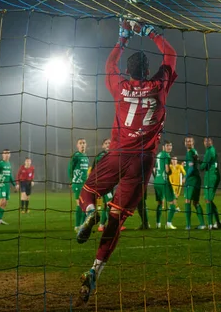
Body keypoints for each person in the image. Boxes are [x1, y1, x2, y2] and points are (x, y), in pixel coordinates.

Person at [74, 17, 177, 305]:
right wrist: (151, 32)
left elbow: (109, 66)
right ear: (148, 71)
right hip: (143, 161)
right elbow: (171, 55)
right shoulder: (158, 86)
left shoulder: (119, 87)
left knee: (87, 191)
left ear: (129, 72)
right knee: (117, 219)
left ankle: (91, 211)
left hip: (118, 154)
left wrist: (122, 39)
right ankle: (95, 271)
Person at [89, 139, 124, 232]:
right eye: (106, 143)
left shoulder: (113, 155)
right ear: (103, 146)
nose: (108, 144)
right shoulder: (101, 156)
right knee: (111, 204)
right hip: (103, 184)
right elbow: (93, 170)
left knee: (106, 205)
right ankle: (115, 225)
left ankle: (101, 226)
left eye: (110, 143)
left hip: (110, 184)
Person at [153, 141, 177, 229]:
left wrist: (157, 178)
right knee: (173, 203)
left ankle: (158, 224)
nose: (169, 147)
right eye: (168, 145)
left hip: (156, 181)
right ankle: (169, 223)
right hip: (164, 181)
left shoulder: (158, 155)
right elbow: (167, 170)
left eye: (171, 145)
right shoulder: (166, 155)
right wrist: (170, 172)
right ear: (163, 146)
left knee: (160, 203)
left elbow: (154, 169)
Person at [200, 137, 221, 229]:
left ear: (211, 142)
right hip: (211, 175)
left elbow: (204, 166)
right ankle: (217, 222)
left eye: (208, 140)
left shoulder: (210, 151)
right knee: (208, 200)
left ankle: (210, 224)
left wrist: (199, 164)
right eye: (205, 141)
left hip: (211, 176)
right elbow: (205, 163)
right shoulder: (210, 150)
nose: (206, 142)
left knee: (208, 200)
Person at [184, 136, 205, 230]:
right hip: (197, 179)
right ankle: (202, 224)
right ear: (185, 143)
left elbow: (192, 168)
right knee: (195, 202)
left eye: (190, 141)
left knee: (187, 201)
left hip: (192, 179)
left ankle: (188, 225)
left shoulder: (191, 152)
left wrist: (185, 177)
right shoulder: (193, 152)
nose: (188, 143)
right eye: (187, 141)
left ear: (193, 143)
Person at [69, 138, 89, 232]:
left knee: (85, 205)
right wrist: (71, 180)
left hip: (85, 184)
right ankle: (77, 226)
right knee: (80, 204)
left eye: (84, 143)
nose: (82, 145)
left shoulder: (86, 156)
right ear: (77, 146)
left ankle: (82, 224)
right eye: (80, 143)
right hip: (77, 183)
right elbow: (70, 168)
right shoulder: (76, 156)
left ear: (86, 145)